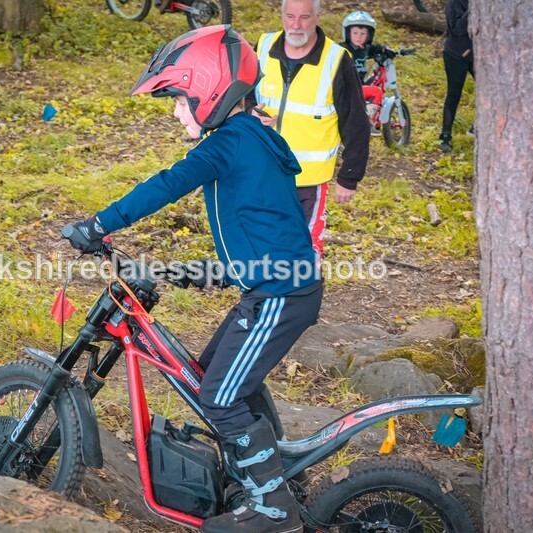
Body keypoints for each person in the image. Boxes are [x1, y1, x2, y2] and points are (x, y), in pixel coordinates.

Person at [64, 26, 320, 533]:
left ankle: (274, 508)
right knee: (217, 378)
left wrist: (99, 224)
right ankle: (269, 478)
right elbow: (264, 221)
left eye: (179, 99)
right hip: (274, 285)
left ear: (209, 89)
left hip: (278, 294)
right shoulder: (254, 137)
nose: (176, 111)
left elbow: (165, 185)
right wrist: (202, 273)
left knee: (218, 397)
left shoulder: (227, 143)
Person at [247, 0, 369, 256]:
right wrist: (251, 111)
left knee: (306, 252)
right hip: (264, 174)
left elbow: (356, 122)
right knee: (263, 247)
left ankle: (305, 296)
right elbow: (242, 92)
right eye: (290, 16)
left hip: (309, 181)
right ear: (281, 15)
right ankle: (268, 296)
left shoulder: (336, 60)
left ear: (317, 17)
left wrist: (349, 176)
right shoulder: (264, 46)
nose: (296, 25)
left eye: (304, 17)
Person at [339, 10, 388, 133]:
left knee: (371, 84)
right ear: (347, 33)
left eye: (363, 33)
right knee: (376, 92)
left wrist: (390, 52)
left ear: (369, 35)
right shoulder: (342, 49)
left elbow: (377, 49)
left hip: (358, 86)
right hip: (348, 89)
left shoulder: (364, 48)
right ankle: (366, 124)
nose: (359, 37)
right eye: (355, 33)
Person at [439, 0, 474, 152]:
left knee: (492, 93)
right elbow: (458, 28)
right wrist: (474, 9)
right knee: (454, 94)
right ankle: (445, 135)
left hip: (477, 55)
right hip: (455, 54)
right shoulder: (453, 3)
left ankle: (477, 126)